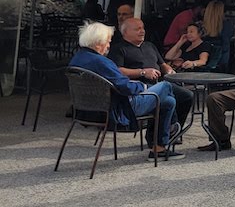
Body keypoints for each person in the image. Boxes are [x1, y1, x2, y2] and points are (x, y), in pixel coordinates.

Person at [70, 22, 183, 160]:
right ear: (98, 42)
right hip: (120, 109)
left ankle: (159, 148)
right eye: (108, 41)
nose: (109, 45)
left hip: (89, 110)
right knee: (166, 86)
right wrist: (143, 86)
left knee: (168, 102)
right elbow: (125, 87)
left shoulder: (78, 58)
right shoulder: (101, 62)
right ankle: (173, 126)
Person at [108, 18, 194, 135]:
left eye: (142, 28)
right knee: (168, 100)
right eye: (137, 29)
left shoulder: (150, 46)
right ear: (126, 32)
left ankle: (173, 131)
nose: (142, 31)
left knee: (187, 96)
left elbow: (162, 64)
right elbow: (118, 71)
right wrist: (142, 72)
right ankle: (167, 130)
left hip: (158, 83)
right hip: (139, 88)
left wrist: (169, 70)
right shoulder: (119, 49)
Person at [201, 0, 232, 70]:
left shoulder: (201, 25)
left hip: (203, 57)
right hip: (222, 59)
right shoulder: (226, 25)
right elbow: (227, 41)